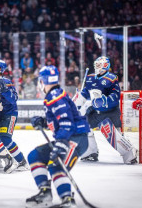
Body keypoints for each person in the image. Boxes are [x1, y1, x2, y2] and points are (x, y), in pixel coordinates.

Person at [26, 65, 90, 208]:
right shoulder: (55, 95)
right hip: (68, 137)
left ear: (43, 81)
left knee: (56, 165)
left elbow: (67, 123)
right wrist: (43, 121)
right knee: (35, 156)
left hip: (76, 138)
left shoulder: (55, 97)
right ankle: (45, 193)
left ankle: (67, 200)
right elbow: (60, 119)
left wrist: (61, 144)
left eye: (40, 80)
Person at [74, 56, 137, 164]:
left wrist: (104, 101)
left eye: (99, 65)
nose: (97, 67)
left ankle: (130, 153)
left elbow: (116, 96)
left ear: (106, 65)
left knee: (113, 135)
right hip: (96, 113)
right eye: (96, 65)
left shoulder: (112, 78)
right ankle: (90, 152)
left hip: (110, 113)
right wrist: (76, 102)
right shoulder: (90, 78)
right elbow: (84, 93)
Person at [0, 59, 29, 172]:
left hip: (9, 114)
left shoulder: (5, 81)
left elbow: (13, 99)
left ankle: (22, 162)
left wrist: (4, 90)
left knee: (5, 137)